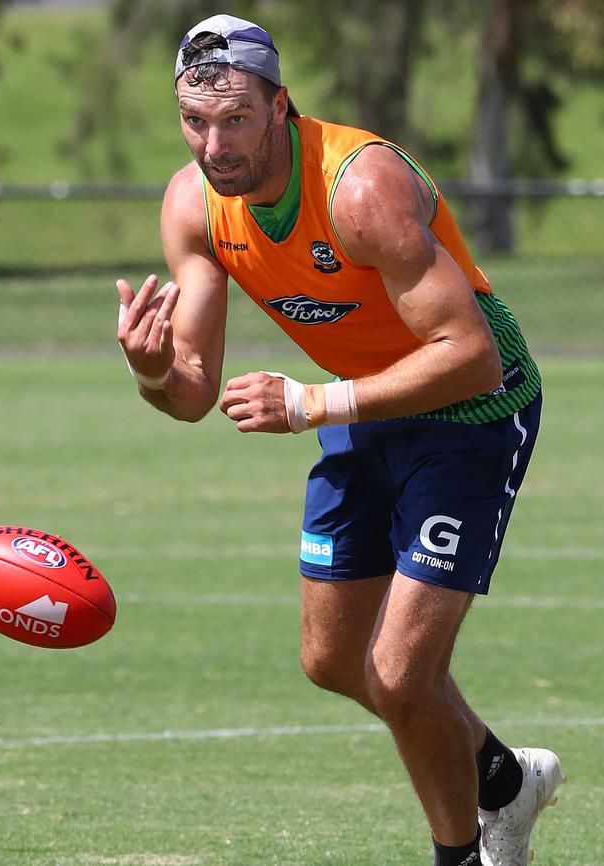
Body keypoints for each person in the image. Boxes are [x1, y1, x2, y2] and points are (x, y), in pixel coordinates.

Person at [116, 14, 565, 866]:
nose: (215, 144)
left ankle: (461, 855)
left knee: (399, 673)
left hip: (473, 412)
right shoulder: (194, 204)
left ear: (281, 106)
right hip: (361, 411)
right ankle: (503, 781)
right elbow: (194, 391)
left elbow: (467, 357)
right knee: (333, 660)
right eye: (195, 121)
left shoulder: (360, 187)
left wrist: (313, 403)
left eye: (237, 117)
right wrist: (149, 373)